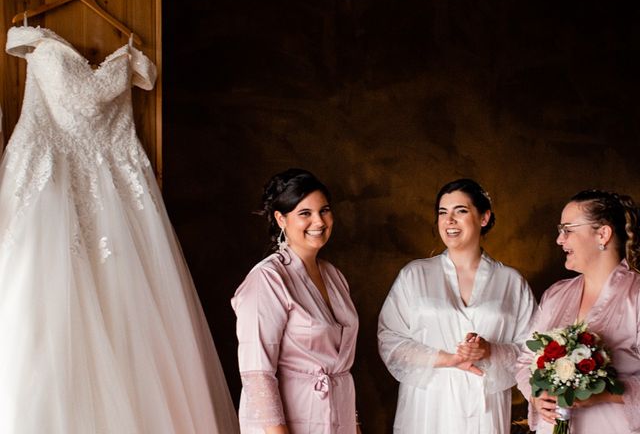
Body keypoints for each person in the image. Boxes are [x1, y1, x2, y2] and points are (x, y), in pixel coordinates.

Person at [0, 25, 239, 432]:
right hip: (65, 190)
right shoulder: (42, 46)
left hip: (108, 192)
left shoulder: (49, 46)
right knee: (45, 319)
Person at [378, 178, 536, 433]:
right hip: (428, 404)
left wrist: (489, 350)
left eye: (460, 211)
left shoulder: (511, 281)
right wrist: (449, 359)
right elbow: (390, 338)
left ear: (484, 217)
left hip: (485, 406)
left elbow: (532, 350)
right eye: (443, 212)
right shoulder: (414, 275)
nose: (449, 220)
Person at [232, 168, 360, 434]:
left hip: (339, 420)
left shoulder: (334, 276)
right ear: (281, 219)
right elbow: (258, 375)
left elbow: (339, 370)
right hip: (289, 423)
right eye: (305, 213)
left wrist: (354, 425)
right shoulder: (267, 279)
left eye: (324, 210)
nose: (319, 221)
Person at [516, 189, 640, 433]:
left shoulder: (635, 295)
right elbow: (524, 361)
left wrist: (603, 394)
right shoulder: (555, 295)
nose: (559, 240)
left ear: (602, 234)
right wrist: (536, 394)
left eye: (568, 230)